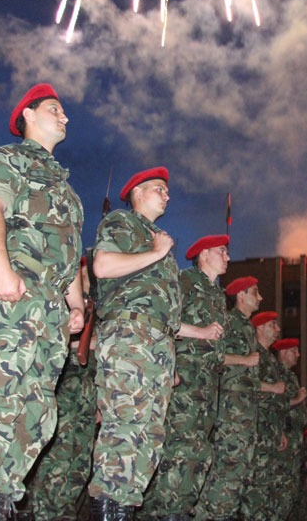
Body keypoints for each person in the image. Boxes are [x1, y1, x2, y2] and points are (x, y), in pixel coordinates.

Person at [0, 84, 85, 519]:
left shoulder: (69, 192)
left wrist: (77, 305)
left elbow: (71, 254)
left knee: (38, 412)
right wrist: (1, 269)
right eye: (54, 109)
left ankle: (2, 496)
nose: (64, 117)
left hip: (51, 308)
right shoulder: (9, 159)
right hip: (14, 294)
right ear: (27, 114)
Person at [89, 166, 181, 520]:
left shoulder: (159, 240)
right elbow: (102, 266)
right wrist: (155, 253)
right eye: (159, 188)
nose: (167, 195)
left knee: (149, 437)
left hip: (158, 345)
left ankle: (123, 507)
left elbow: (166, 310)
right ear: (137, 193)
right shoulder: (122, 222)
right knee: (124, 428)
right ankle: (108, 507)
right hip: (129, 336)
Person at [140, 235, 229, 521]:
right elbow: (164, 320)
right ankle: (167, 512)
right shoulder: (185, 281)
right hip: (186, 376)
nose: (227, 257)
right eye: (221, 251)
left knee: (199, 451)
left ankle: (180, 509)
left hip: (208, 382)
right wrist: (201, 332)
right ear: (204, 254)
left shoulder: (217, 295)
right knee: (180, 447)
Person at [21, 257, 98, 521]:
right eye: (82, 269)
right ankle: (46, 512)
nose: (85, 274)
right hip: (63, 386)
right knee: (57, 456)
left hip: (87, 393)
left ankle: (65, 513)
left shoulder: (95, 307)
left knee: (80, 462)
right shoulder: (63, 301)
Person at [197, 276, 262, 521]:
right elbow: (213, 356)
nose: (260, 297)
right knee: (226, 471)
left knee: (240, 474)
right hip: (230, 410)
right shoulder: (229, 321)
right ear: (241, 296)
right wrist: (245, 360)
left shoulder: (247, 327)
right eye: (255, 292)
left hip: (245, 412)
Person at [241, 311, 288, 520]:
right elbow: (245, 383)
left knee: (268, 489)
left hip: (270, 430)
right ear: (259, 327)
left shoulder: (269, 358)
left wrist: (280, 430)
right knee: (255, 489)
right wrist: (273, 387)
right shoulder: (253, 353)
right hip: (256, 428)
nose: (277, 329)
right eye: (273, 325)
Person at [271, 338, 307, 521]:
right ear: (283, 353)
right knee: (280, 492)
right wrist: (298, 399)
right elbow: (272, 403)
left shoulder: (290, 376)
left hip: (293, 442)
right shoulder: (276, 373)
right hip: (283, 439)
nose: (298, 355)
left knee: (290, 493)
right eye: (294, 351)